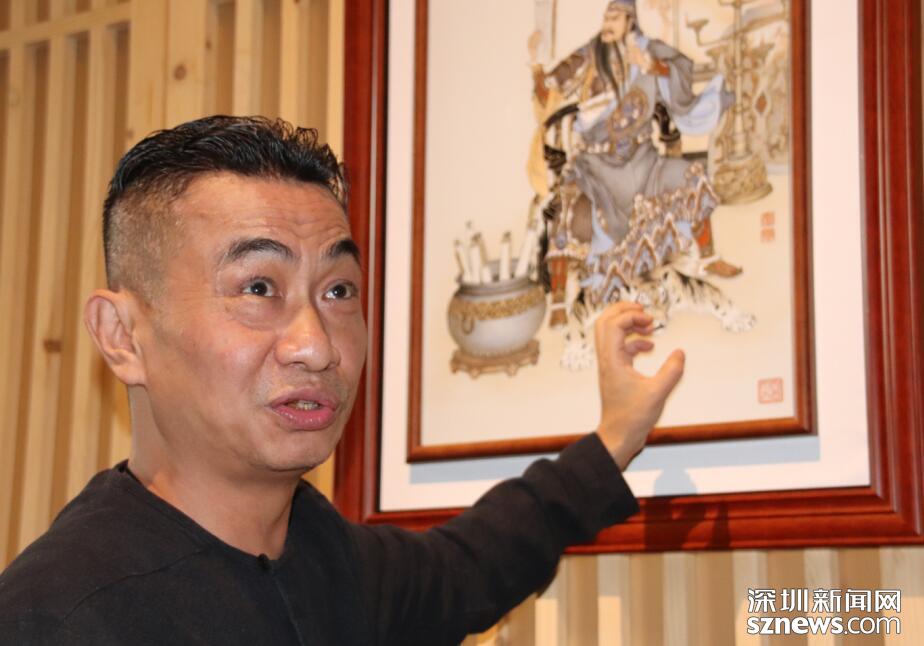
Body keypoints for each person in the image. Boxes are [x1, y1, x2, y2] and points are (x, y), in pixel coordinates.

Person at [0, 116, 684, 645]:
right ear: (122, 336)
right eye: (259, 287)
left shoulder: (329, 558)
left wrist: (614, 437)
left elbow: (473, 564)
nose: (316, 346)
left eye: (337, 290)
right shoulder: (59, 615)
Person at [530, 0, 740, 310]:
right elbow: (549, 89)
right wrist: (536, 64)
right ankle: (560, 302)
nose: (607, 24)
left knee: (689, 176)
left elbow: (682, 68)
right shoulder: (589, 55)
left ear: (630, 20)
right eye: (606, 17)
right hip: (596, 166)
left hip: (644, 162)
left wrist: (652, 66)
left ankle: (709, 258)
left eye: (614, 17)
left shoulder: (649, 49)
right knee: (568, 211)